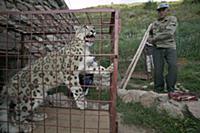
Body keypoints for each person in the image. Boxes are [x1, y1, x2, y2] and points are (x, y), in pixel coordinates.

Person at [147, 3, 178, 93]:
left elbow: (169, 33)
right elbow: (150, 34)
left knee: (173, 66)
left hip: (170, 47)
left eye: (163, 10)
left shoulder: (172, 19)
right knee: (158, 69)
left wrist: (154, 38)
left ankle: (171, 88)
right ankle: (158, 89)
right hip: (157, 48)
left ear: (167, 10)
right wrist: (149, 38)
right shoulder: (154, 23)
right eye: (159, 10)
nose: (161, 12)